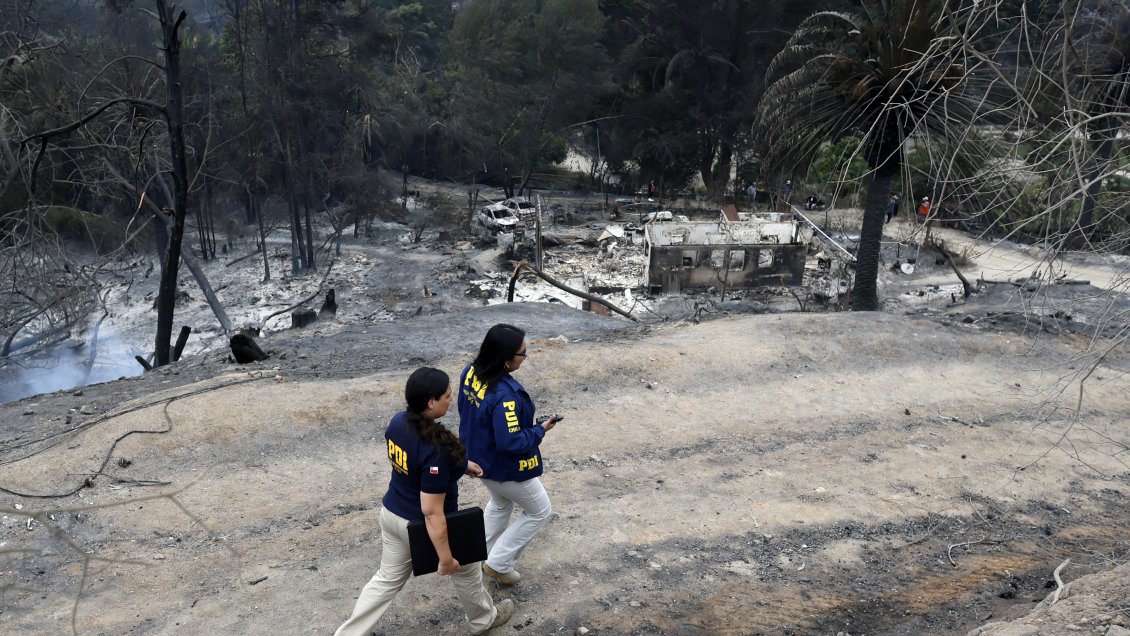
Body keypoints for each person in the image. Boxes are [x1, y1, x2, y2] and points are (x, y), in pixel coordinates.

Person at [335, 367, 515, 636]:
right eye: (447, 396)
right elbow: (431, 512)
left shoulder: (398, 422)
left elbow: (415, 460)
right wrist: (444, 559)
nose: (450, 400)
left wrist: (462, 464)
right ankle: (483, 621)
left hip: (391, 515)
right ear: (431, 402)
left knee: (385, 581)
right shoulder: (436, 451)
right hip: (419, 527)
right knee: (466, 570)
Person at [458, 324, 558, 586]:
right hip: (504, 467)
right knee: (539, 510)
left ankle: (475, 555)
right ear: (505, 358)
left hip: (478, 459)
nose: (525, 358)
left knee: (501, 503)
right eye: (522, 353)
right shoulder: (505, 396)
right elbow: (510, 442)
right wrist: (540, 430)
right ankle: (499, 563)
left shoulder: (471, 371)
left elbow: (464, 410)